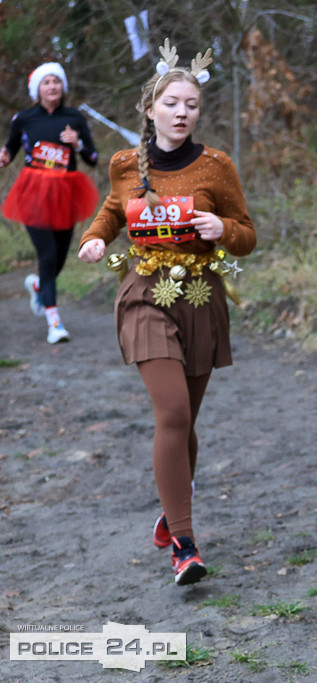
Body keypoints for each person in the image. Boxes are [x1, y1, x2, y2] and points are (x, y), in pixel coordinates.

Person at [78, 41, 256, 586]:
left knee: (184, 424)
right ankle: (184, 543)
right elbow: (113, 210)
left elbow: (247, 234)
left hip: (200, 299)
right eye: (173, 103)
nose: (183, 113)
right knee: (173, 414)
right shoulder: (127, 163)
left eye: (192, 105)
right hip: (144, 293)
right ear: (151, 109)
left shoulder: (216, 166)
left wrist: (220, 230)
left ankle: (169, 509)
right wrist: (93, 238)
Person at [1, 62, 100, 344]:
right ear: (37, 89)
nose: (52, 86)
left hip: (66, 192)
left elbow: (92, 158)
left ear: (63, 86)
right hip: (34, 192)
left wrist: (77, 143)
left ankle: (37, 285)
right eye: (46, 82)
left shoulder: (74, 118)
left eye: (57, 81)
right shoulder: (24, 118)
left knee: (57, 257)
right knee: (45, 255)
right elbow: (10, 149)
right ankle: (54, 322)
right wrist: (4, 156)